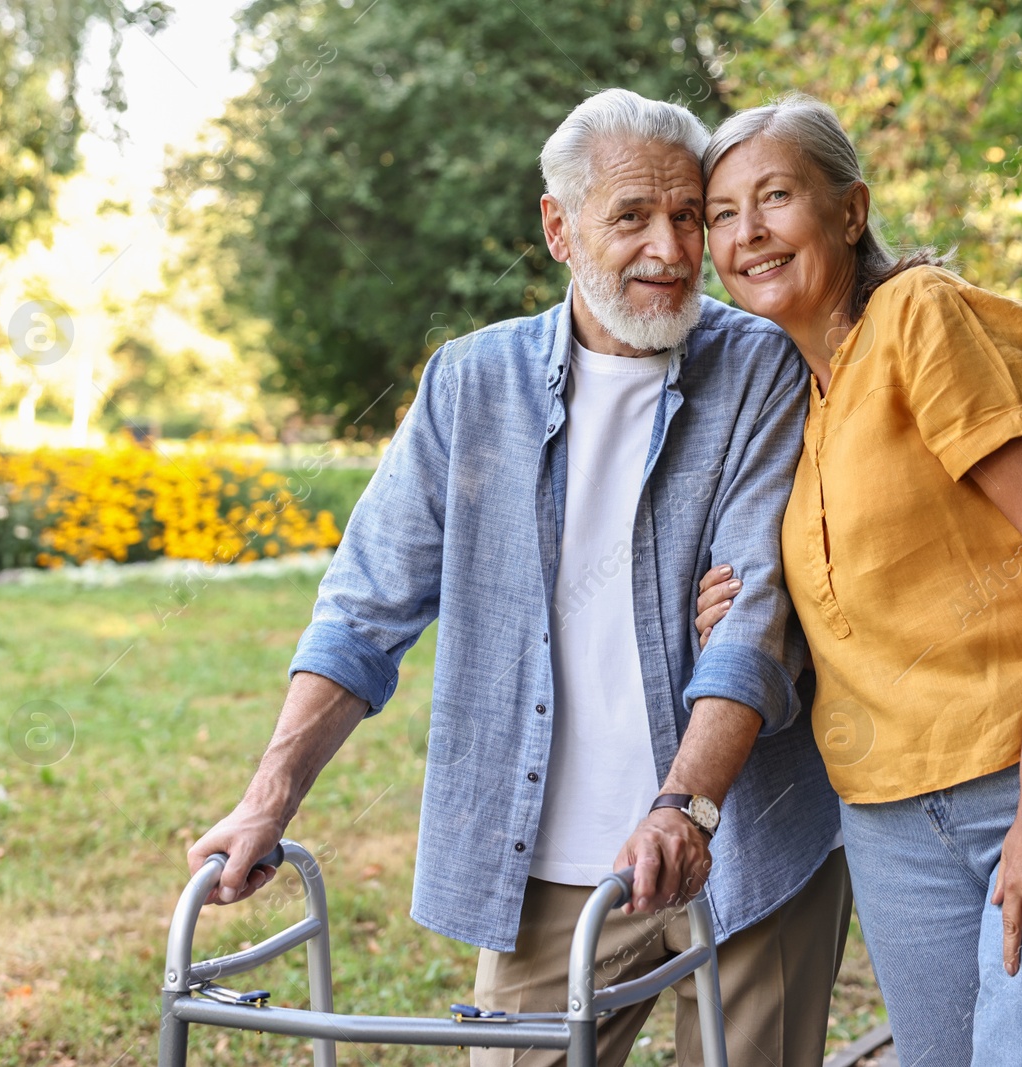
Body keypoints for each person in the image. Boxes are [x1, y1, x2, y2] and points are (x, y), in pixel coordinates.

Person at [188, 88, 850, 1067]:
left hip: (742, 835)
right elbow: (363, 610)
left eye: (685, 216)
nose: (669, 250)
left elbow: (750, 616)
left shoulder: (761, 363)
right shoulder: (470, 383)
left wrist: (685, 806)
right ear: (558, 226)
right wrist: (266, 798)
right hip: (548, 864)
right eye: (630, 217)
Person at [692, 94, 1022, 1067]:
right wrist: (755, 606)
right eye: (721, 213)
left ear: (849, 209)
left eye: (775, 196)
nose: (746, 232)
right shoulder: (801, 395)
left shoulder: (921, 314)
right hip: (887, 815)